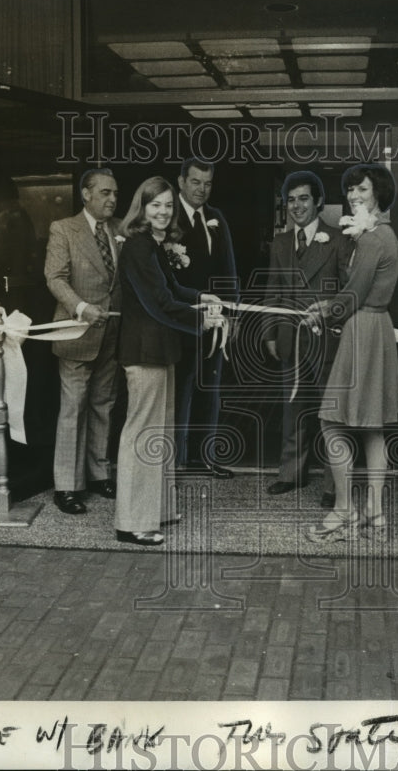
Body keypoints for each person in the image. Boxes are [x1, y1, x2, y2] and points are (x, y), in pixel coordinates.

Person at [115, 177, 225, 546]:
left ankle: (157, 510)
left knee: (159, 432)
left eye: (166, 205)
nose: (163, 212)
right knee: (142, 434)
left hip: (161, 350)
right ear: (141, 208)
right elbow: (157, 303)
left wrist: (202, 296)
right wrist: (200, 319)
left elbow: (172, 291)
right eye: (155, 205)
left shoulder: (154, 246)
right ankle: (131, 522)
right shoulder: (137, 247)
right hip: (144, 352)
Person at [304, 164, 398, 543]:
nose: (354, 196)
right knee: (373, 427)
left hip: (362, 327)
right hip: (376, 327)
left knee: (332, 422)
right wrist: (332, 306)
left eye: (361, 190)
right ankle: (375, 515)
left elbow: (356, 292)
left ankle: (344, 512)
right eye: (349, 191)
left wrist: (326, 308)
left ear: (378, 193)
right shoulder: (381, 234)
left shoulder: (375, 238)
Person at [264, 171, 351, 507]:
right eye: (290, 199)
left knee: (331, 412)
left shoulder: (339, 240)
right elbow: (273, 289)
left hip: (327, 338)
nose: (296, 206)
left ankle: (333, 484)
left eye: (303, 198)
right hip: (290, 337)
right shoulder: (281, 243)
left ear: (318, 202)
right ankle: (291, 474)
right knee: (293, 410)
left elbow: (347, 290)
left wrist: (334, 315)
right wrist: (270, 331)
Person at [44, 168, 123, 515]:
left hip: (113, 332)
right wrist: (80, 307)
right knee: (73, 408)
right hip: (77, 331)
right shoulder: (64, 229)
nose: (112, 199)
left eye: (115, 193)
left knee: (103, 404)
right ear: (86, 194)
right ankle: (67, 486)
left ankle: (97, 473)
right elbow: (54, 277)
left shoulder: (120, 229)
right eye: (105, 193)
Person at [173, 158, 238, 479]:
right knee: (178, 394)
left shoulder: (216, 218)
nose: (202, 190)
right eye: (196, 182)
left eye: (208, 183)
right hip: (179, 322)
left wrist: (231, 313)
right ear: (182, 181)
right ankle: (172, 464)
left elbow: (228, 270)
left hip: (214, 323)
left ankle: (203, 459)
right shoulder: (166, 215)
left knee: (208, 391)